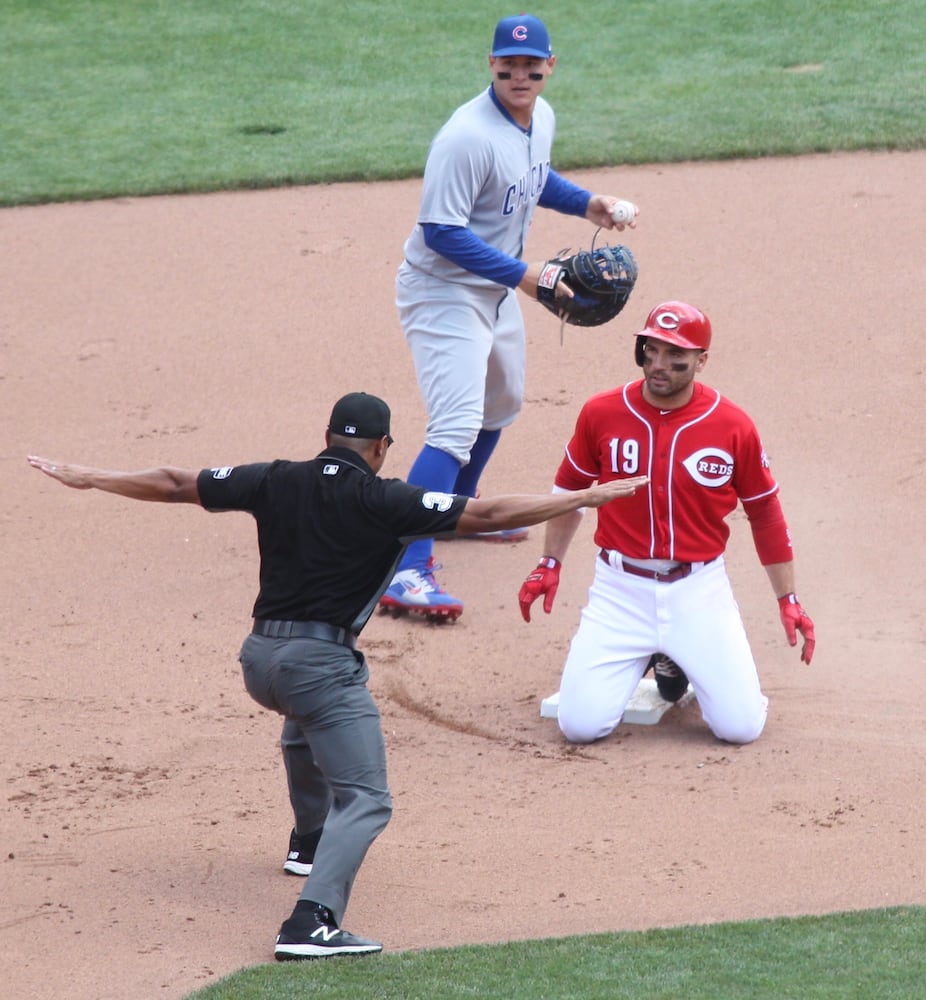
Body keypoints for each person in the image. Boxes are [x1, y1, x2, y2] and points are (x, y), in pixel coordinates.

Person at [28, 391, 648, 960]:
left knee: (306, 721)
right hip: (317, 669)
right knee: (368, 798)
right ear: (382, 449)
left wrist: (90, 478)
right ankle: (311, 923)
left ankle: (309, 842)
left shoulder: (275, 480)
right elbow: (487, 513)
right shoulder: (388, 500)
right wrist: (583, 497)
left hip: (260, 662)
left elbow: (173, 482)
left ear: (326, 436)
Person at [379, 12, 640, 623]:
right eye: (508, 65)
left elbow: (532, 179)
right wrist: (528, 275)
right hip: (443, 292)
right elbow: (441, 232)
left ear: (550, 66)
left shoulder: (538, 117)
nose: (519, 75)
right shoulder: (464, 137)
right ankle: (407, 566)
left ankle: (456, 512)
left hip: (495, 286)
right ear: (490, 65)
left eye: (531, 65)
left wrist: (588, 204)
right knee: (456, 424)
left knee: (503, 403)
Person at [517, 302, 816, 745]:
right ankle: (652, 652)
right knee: (579, 726)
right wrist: (549, 562)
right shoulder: (601, 412)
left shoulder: (733, 425)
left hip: (699, 590)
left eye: (675, 357)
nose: (659, 365)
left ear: (701, 360)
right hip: (619, 590)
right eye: (651, 351)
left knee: (740, 728)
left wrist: (787, 598)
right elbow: (569, 494)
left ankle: (678, 657)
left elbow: (765, 511)